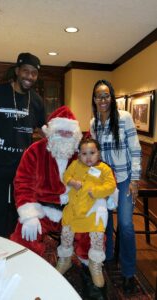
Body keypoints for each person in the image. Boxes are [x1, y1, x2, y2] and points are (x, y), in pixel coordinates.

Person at [11, 106, 93, 262]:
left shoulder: (83, 154)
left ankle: (88, 268)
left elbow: (98, 174)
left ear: (75, 134)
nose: (64, 135)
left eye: (68, 132)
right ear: (51, 132)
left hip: (73, 210)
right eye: (59, 131)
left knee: (92, 235)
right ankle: (28, 269)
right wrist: (29, 216)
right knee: (24, 235)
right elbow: (23, 183)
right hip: (43, 209)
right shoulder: (35, 150)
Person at [90, 79, 142, 295]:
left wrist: (135, 179)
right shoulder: (93, 123)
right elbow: (94, 155)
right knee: (103, 222)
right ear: (94, 99)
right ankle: (108, 258)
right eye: (98, 96)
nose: (102, 99)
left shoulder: (125, 118)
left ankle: (129, 273)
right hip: (104, 181)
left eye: (106, 95)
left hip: (123, 179)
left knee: (126, 224)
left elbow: (136, 149)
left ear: (111, 97)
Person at [0, 52, 46, 238]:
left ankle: (14, 243)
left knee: (19, 207)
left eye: (34, 73)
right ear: (17, 71)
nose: (29, 77)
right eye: (26, 71)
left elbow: (44, 130)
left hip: (22, 166)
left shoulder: (36, 101)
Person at [56, 138, 117, 288]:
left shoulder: (104, 169)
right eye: (84, 153)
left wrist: (96, 191)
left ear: (99, 153)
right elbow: (65, 176)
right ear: (79, 155)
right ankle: (65, 260)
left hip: (93, 211)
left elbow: (111, 186)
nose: (88, 157)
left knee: (97, 238)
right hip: (74, 209)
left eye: (92, 153)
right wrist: (71, 182)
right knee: (66, 234)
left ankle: (95, 264)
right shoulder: (75, 165)